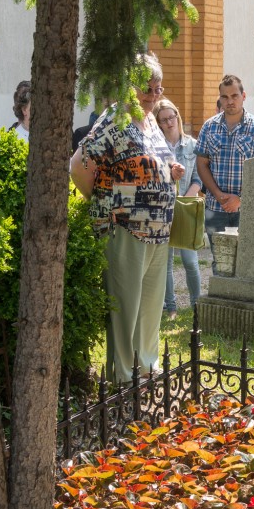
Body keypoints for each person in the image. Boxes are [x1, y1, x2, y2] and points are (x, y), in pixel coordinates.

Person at [69, 54, 185, 384]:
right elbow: (78, 166)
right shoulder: (116, 118)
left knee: (150, 305)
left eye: (158, 89)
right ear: (129, 86)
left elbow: (155, 161)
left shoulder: (151, 122)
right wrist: (104, 201)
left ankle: (146, 366)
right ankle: (123, 376)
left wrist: (171, 171)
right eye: (147, 89)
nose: (153, 96)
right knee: (125, 306)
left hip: (158, 228)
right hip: (124, 226)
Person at [195, 74, 254, 273]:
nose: (230, 101)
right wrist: (218, 195)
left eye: (234, 96)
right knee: (221, 262)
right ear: (220, 98)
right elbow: (202, 164)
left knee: (247, 262)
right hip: (215, 208)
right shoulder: (209, 127)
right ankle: (221, 294)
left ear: (243, 96)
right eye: (225, 97)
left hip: (246, 211)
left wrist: (240, 200)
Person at [154, 99, 203, 320]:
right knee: (165, 264)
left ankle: (196, 306)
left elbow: (198, 178)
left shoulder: (192, 145)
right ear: (158, 123)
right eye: (163, 120)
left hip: (185, 208)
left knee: (190, 261)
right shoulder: (156, 147)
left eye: (171, 117)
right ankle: (171, 307)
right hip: (162, 209)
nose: (169, 122)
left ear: (177, 116)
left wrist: (185, 199)